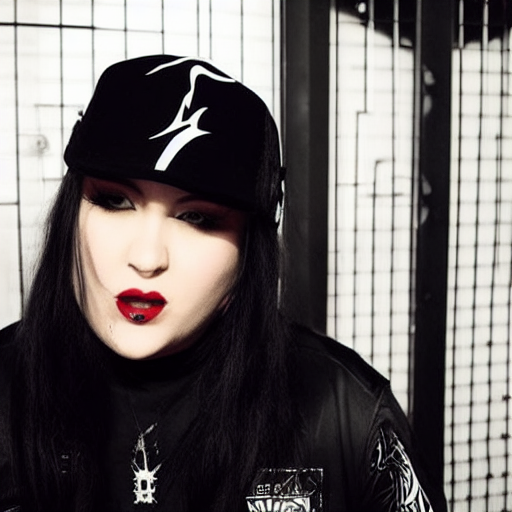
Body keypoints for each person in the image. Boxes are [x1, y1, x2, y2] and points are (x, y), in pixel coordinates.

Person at [0, 54, 447, 512]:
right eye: (115, 201)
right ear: (72, 213)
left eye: (196, 217)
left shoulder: (343, 413)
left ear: (250, 250)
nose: (147, 259)